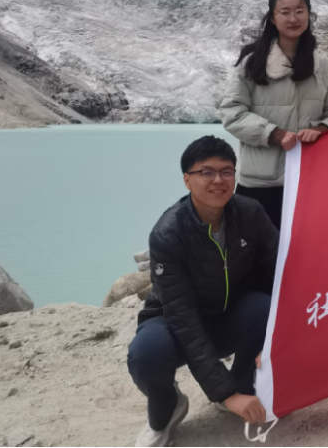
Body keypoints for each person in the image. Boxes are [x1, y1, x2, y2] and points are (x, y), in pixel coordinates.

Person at [127, 135, 279, 448]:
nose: (218, 180)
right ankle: (168, 408)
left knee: (264, 309)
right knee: (146, 354)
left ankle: (244, 386)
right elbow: (182, 318)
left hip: (227, 314)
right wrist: (223, 392)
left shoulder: (250, 213)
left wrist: (276, 340)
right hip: (172, 322)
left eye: (226, 171)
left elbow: (284, 270)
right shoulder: (168, 233)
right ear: (187, 180)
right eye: (206, 172)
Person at [220, 0, 328, 230]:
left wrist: (323, 128)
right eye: (285, 12)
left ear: (308, 15)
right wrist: (275, 134)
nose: (293, 18)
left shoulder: (324, 67)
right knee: (259, 252)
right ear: (273, 18)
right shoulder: (252, 64)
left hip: (310, 180)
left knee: (308, 249)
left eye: (299, 11)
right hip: (260, 184)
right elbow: (232, 113)